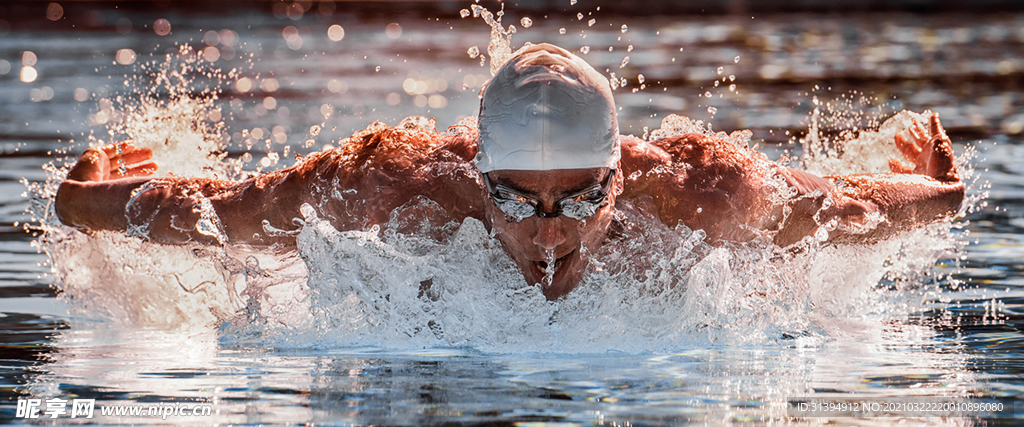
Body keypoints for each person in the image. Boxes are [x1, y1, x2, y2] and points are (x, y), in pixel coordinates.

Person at [54, 44, 965, 300]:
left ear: (620, 178)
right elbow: (228, 211)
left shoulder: (702, 193)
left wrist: (937, 193)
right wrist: (82, 198)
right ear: (477, 177)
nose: (549, 233)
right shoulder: (390, 183)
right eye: (515, 200)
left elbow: (835, 208)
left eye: (580, 197)